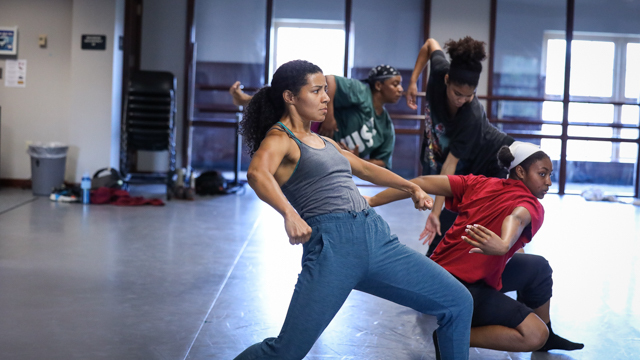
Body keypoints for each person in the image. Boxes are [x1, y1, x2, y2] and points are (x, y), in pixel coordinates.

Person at [233, 59, 472, 360]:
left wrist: (411, 187)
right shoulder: (281, 139)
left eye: (325, 89)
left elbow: (366, 169)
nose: (326, 97)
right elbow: (257, 173)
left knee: (457, 301)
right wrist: (289, 214)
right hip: (334, 250)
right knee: (286, 351)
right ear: (290, 97)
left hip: (377, 239)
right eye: (316, 90)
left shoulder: (324, 141)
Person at [367, 141, 584, 353]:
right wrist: (505, 243)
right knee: (535, 335)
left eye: (550, 175)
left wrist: (374, 200)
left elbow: (420, 182)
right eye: (543, 174)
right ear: (520, 172)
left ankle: (548, 334)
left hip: (436, 278)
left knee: (537, 267)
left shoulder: (479, 183)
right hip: (456, 290)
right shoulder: (531, 204)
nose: (548, 182)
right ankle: (454, 335)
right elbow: (516, 217)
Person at [405, 36, 515, 255]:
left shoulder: (471, 115)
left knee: (453, 222)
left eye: (469, 95)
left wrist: (435, 213)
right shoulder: (438, 72)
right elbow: (429, 44)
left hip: (487, 160)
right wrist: (412, 81)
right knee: (447, 229)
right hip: (452, 156)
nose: (461, 100)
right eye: (457, 93)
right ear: (447, 79)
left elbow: (449, 168)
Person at [229, 64, 403, 168]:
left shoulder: (386, 126)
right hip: (315, 129)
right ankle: (246, 100)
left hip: (327, 155)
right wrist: (330, 117)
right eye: (395, 84)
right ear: (379, 85)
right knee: (290, 104)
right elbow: (330, 80)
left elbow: (382, 162)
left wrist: (356, 160)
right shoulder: (362, 92)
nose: (401, 89)